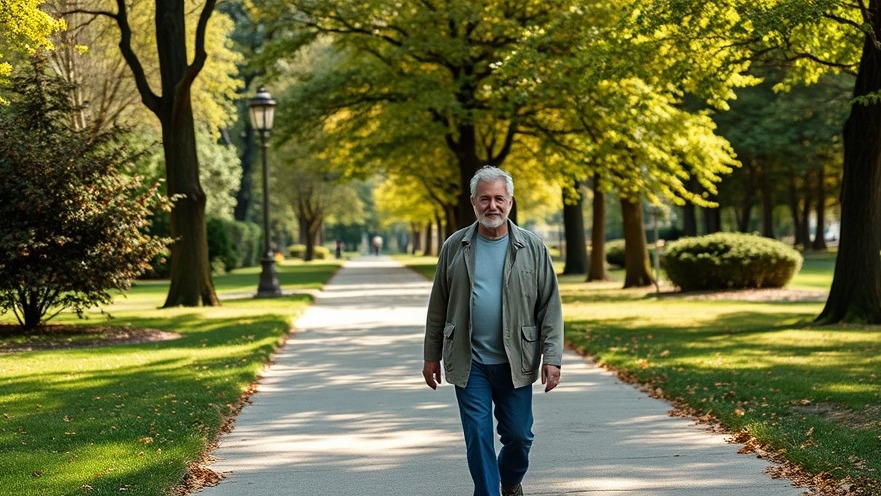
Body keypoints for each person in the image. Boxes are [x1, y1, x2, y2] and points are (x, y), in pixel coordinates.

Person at [422, 166, 563, 496]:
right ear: (473, 202)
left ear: (510, 202)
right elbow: (437, 307)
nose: (492, 206)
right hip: (469, 362)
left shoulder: (533, 248)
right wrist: (431, 357)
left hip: (516, 362)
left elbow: (550, 308)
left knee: (519, 435)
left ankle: (510, 479)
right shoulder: (455, 247)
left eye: (499, 198)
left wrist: (552, 357)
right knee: (478, 434)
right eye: (484, 199)